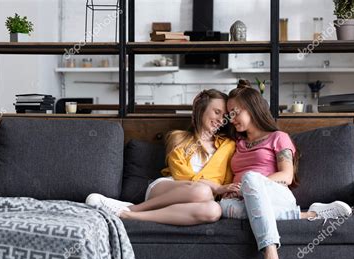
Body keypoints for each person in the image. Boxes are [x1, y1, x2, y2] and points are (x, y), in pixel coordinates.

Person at [220, 79, 353, 259]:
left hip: (276, 194)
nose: (231, 118)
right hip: (244, 201)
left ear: (253, 108)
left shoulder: (278, 138)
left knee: (252, 178)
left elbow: (286, 176)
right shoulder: (237, 143)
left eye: (236, 112)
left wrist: (250, 185)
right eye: (229, 114)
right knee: (221, 207)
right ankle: (310, 215)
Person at [86, 89, 239, 225]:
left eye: (224, 116)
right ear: (201, 110)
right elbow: (181, 174)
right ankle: (134, 207)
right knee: (202, 191)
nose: (220, 120)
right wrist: (215, 187)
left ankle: (129, 215)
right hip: (169, 188)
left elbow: (226, 180)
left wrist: (224, 191)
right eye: (217, 112)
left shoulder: (228, 145)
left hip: (205, 199)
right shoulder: (178, 138)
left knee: (214, 211)